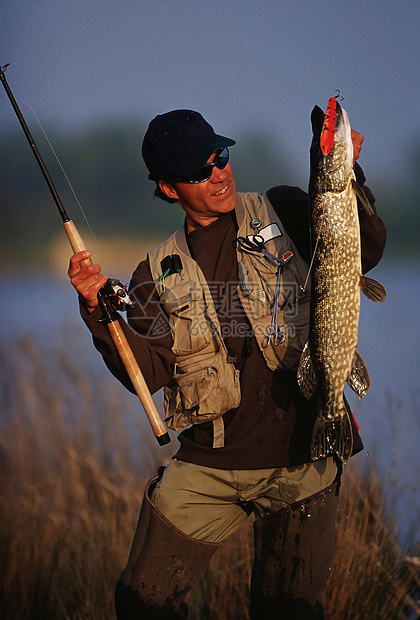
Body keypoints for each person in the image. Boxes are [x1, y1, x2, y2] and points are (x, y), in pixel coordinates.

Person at [68, 109, 386, 619]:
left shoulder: (281, 209)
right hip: (208, 467)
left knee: (289, 612)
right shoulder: (153, 273)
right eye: (201, 169)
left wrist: (344, 168)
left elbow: (364, 249)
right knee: (140, 601)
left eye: (222, 157)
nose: (220, 173)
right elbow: (145, 375)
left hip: (301, 457)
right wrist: (95, 314)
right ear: (170, 189)